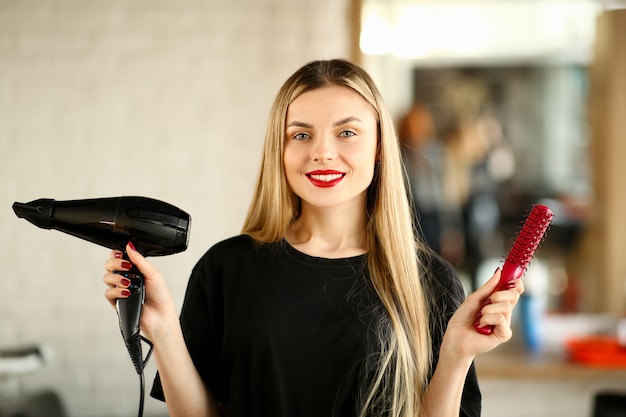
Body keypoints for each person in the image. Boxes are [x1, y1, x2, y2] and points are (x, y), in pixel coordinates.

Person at [103, 59, 522, 417]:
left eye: (347, 133)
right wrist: (161, 329)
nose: (321, 152)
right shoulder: (226, 268)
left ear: (378, 148)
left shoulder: (429, 280)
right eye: (301, 135)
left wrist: (456, 354)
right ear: (280, 151)